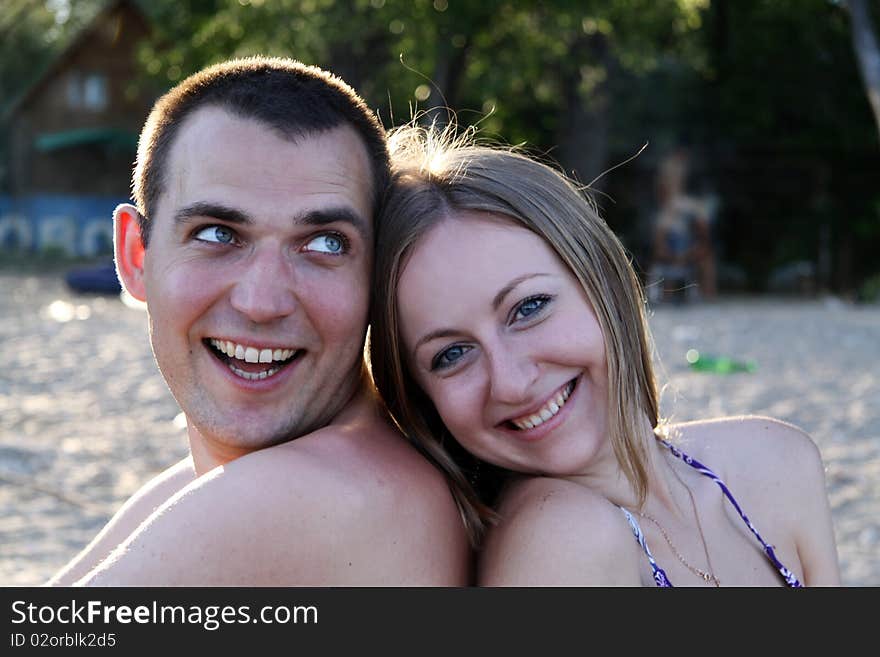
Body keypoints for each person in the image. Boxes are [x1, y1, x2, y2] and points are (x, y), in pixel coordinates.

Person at [46, 57, 469, 586]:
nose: (261, 302)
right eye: (217, 234)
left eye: (324, 244)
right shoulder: (198, 490)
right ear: (136, 257)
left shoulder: (299, 496)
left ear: (379, 277)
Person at [369, 125, 840, 586]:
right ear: (421, 398)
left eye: (528, 308)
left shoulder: (778, 460)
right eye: (452, 354)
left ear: (603, 282)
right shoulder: (561, 541)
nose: (511, 382)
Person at [646, 147, 717, 303]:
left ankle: (707, 296)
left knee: (705, 258)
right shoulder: (664, 215)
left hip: (689, 251)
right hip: (672, 251)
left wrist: (689, 254)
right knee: (664, 261)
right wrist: (673, 256)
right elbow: (659, 247)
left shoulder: (691, 207)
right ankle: (667, 295)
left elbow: (703, 239)